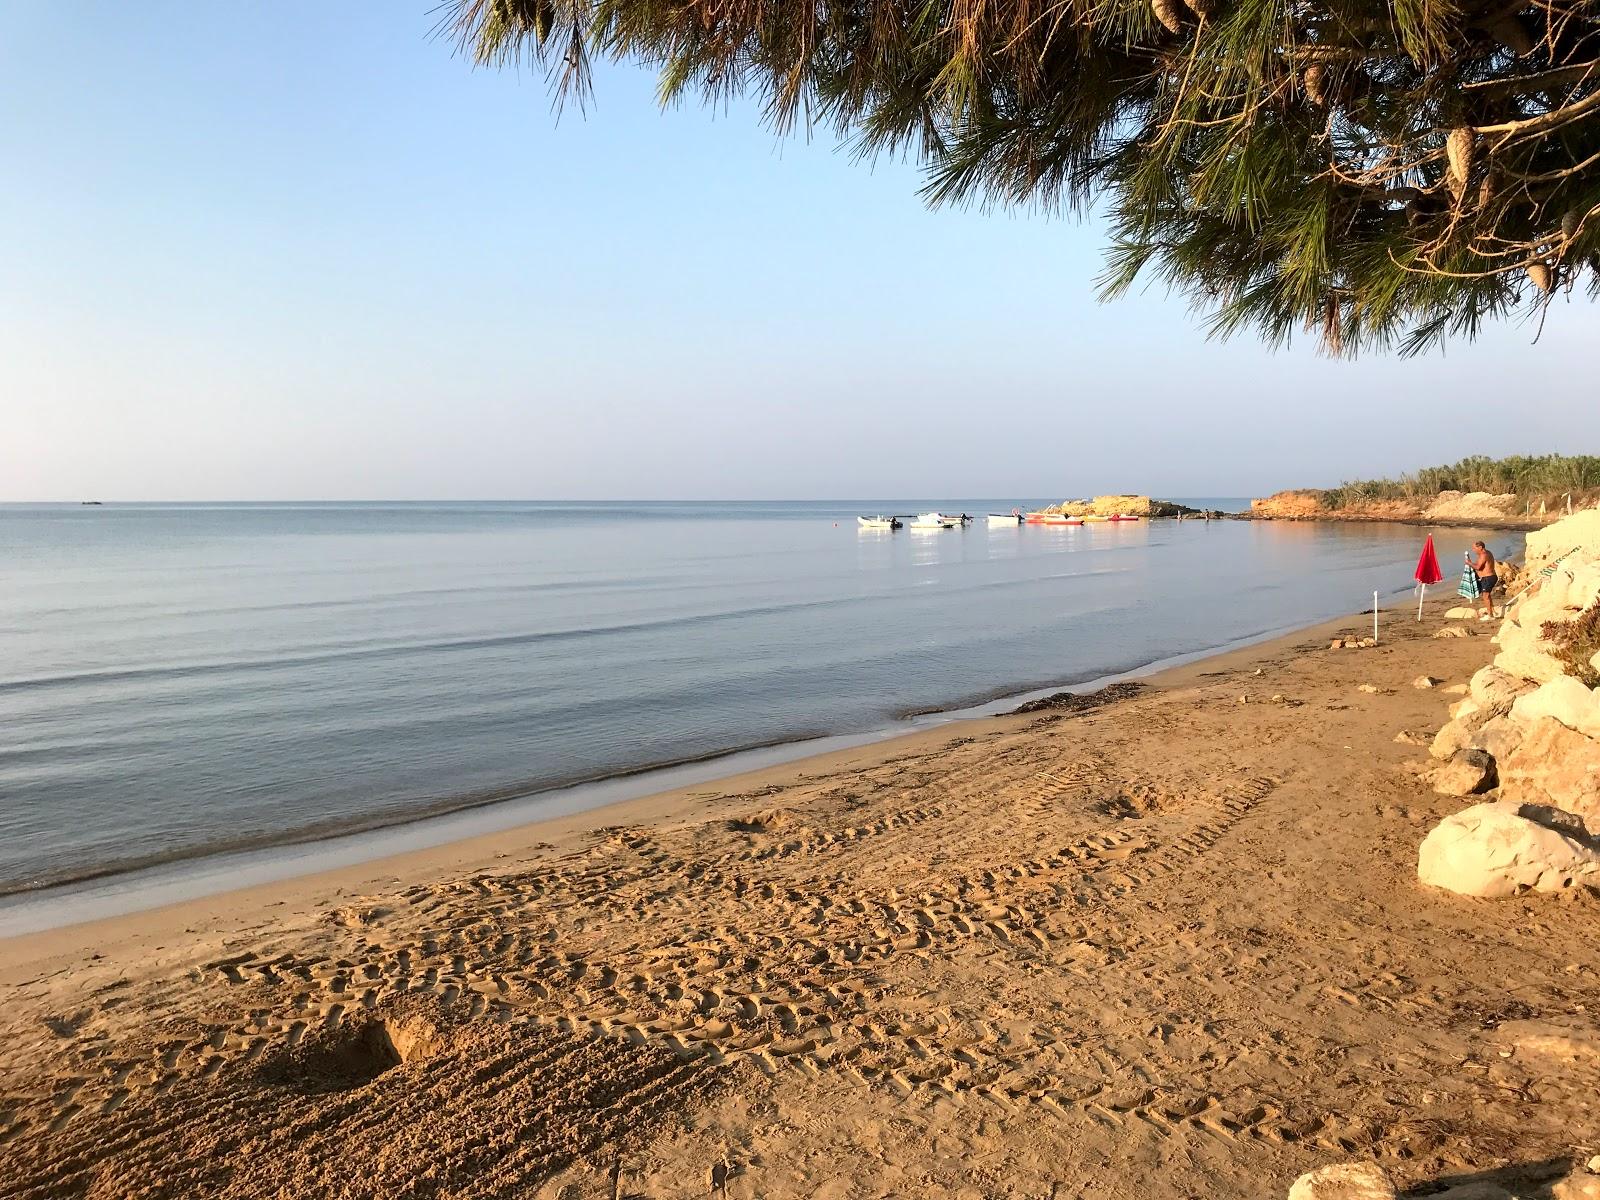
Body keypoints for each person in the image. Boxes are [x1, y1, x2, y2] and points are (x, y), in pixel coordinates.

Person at [1471, 540, 1498, 620]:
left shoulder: (1484, 555)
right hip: (1488, 577)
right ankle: (1492, 612)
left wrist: (1468, 562)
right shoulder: (1486, 553)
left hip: (1488, 578)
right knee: (1487, 595)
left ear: (1480, 547)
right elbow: (1479, 565)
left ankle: (1490, 615)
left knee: (1485, 596)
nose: (1473, 550)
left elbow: (1478, 567)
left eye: (1474, 548)